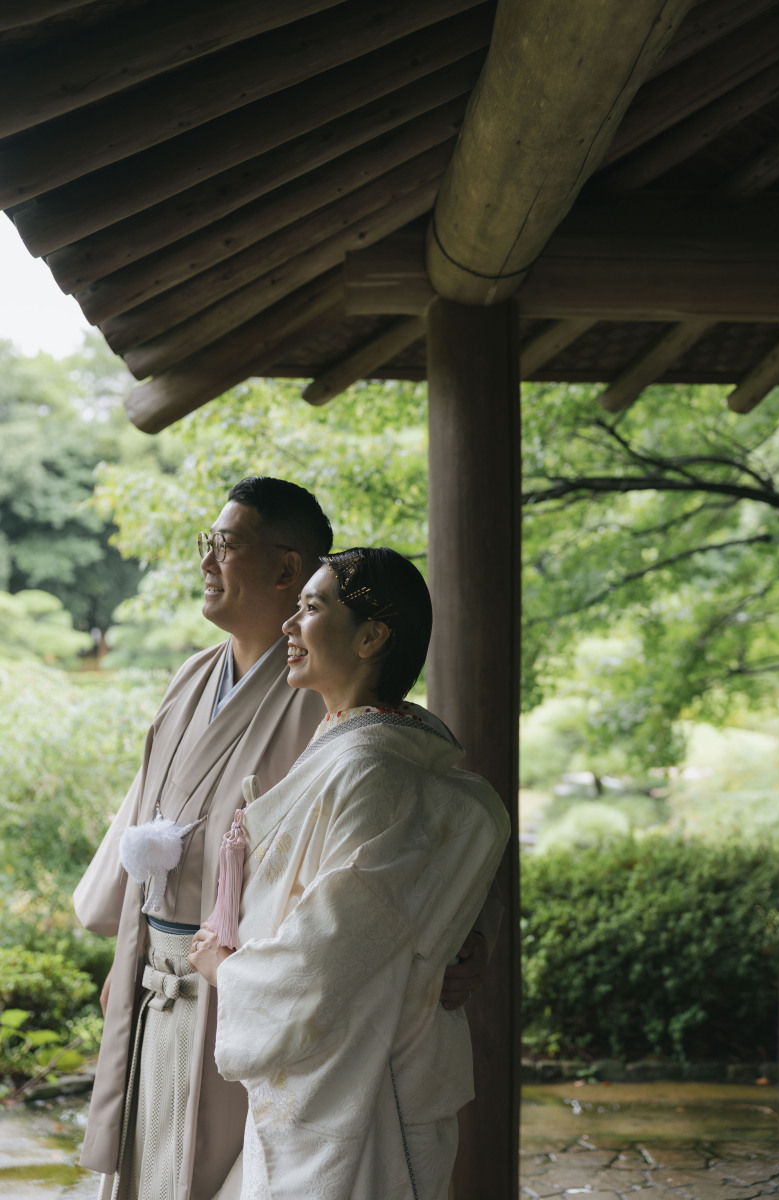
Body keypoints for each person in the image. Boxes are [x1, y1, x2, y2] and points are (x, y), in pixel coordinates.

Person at [73, 478, 498, 1200]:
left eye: (226, 545)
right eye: (208, 544)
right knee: (153, 1173)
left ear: (286, 567)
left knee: (222, 1175)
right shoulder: (193, 678)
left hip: (249, 1001)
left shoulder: (337, 711)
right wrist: (132, 946)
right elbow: (143, 820)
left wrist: (462, 942)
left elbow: (393, 867)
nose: (208, 561)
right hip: (167, 980)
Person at [189, 548, 510, 1200]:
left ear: (370, 637)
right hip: (338, 1071)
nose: (288, 625)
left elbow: (331, 949)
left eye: (311, 608)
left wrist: (229, 969)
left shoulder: (373, 767)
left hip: (359, 1079)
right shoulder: (367, 746)